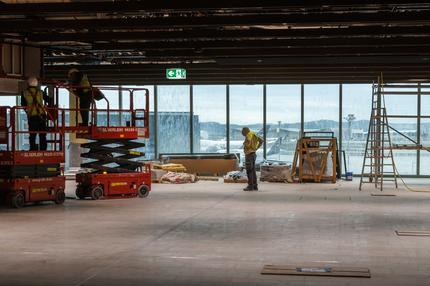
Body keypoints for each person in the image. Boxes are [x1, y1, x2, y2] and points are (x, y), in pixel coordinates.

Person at [21, 76, 49, 151]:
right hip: (42, 116)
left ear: (28, 84)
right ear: (36, 84)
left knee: (32, 135)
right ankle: (43, 149)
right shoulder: (40, 92)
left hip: (32, 117)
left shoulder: (24, 92)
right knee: (42, 135)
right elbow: (49, 99)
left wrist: (28, 112)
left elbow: (23, 104)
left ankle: (33, 149)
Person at [242, 127, 264, 191]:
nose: (242, 134)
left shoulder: (248, 135)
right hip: (253, 154)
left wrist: (246, 143)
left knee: (249, 171)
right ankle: (255, 186)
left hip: (249, 155)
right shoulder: (254, 134)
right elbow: (261, 140)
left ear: (245, 131)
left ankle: (250, 186)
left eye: (242, 132)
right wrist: (256, 148)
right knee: (253, 171)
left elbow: (248, 140)